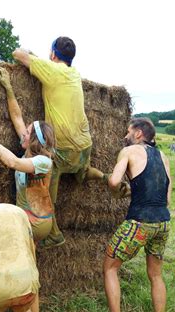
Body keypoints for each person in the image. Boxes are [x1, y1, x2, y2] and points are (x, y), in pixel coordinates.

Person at [12, 36, 107, 248]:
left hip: (63, 148)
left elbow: (17, 54)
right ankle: (105, 177)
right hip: (84, 145)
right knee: (82, 172)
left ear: (53, 54)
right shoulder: (74, 74)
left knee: (46, 190)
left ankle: (53, 234)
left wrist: (29, 53)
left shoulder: (52, 71)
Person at [92, 118, 171, 312]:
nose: (125, 135)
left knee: (110, 268)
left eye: (128, 131)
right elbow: (166, 197)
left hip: (139, 222)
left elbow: (114, 181)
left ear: (138, 133)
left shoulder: (129, 151)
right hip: (163, 222)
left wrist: (115, 185)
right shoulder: (163, 157)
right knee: (155, 274)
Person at [0, 68, 56, 242]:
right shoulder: (28, 148)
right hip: (24, 215)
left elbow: (12, 162)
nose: (23, 134)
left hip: (37, 221)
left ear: (34, 140)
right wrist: (8, 87)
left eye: (27, 133)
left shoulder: (43, 162)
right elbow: (17, 117)